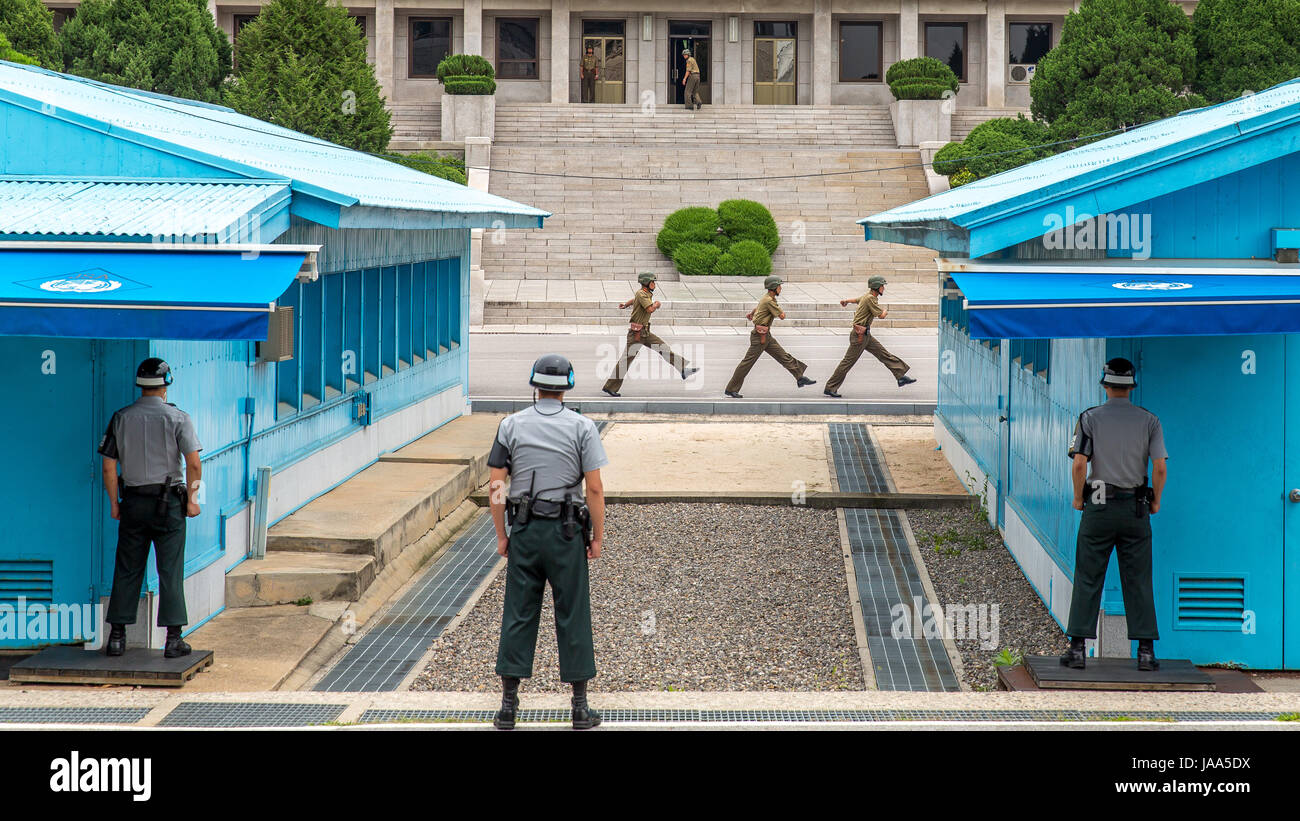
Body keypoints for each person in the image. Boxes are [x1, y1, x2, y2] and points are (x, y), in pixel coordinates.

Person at [488, 354, 608, 730]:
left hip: (524, 531)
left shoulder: (510, 425)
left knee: (519, 613)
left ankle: (508, 706)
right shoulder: (583, 428)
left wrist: (502, 536)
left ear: (534, 384)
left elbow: (495, 486)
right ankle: (579, 707)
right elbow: (595, 489)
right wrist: (598, 538)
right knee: (572, 613)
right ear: (567, 385)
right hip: (566, 533)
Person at [1060, 358, 1168, 671]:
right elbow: (1160, 467)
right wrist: (1155, 501)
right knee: (1138, 580)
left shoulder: (1089, 418)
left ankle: (1078, 648)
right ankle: (1145, 652)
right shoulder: (1150, 421)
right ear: (1131, 387)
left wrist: (1079, 498)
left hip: (1098, 506)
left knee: (1088, 575)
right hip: (1135, 510)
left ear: (1105, 385)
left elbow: (1080, 464)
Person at [98, 358, 202, 659]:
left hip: (132, 502)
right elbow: (193, 463)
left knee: (128, 567)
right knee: (170, 570)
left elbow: (108, 466)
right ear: (166, 384)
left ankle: (117, 637)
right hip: (168, 503)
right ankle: (173, 640)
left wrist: (114, 504)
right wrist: (193, 500)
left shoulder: (121, 417)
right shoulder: (178, 418)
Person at [602, 272, 699, 397]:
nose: (655, 284)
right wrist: (657, 304)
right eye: (653, 282)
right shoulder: (641, 293)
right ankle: (610, 387)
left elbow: (635, 300)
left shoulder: (644, 294)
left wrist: (626, 304)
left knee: (663, 348)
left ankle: (683, 370)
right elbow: (650, 309)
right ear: (647, 283)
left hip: (645, 333)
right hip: (636, 335)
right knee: (626, 361)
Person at [824, 275, 917, 398]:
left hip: (865, 335)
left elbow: (857, 299)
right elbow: (881, 316)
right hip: (859, 336)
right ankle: (830, 387)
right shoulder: (870, 299)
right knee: (847, 363)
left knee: (884, 354)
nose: (884, 288)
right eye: (882, 286)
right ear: (876, 287)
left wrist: (846, 301)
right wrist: (885, 311)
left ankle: (900, 377)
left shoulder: (867, 296)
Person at [724, 275, 816, 398]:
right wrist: (780, 312)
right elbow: (782, 316)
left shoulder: (767, 298)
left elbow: (759, 307)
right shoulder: (769, 301)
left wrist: (752, 313)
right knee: (747, 363)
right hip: (759, 337)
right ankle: (731, 389)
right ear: (774, 287)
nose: (781, 289)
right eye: (779, 286)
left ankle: (800, 377)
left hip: (766, 335)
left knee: (783, 356)